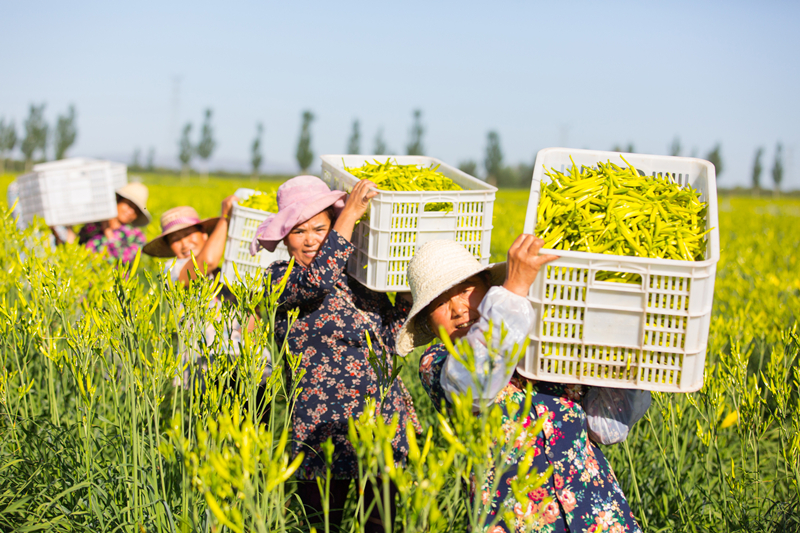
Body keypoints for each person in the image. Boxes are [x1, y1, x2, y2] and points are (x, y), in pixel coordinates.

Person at [396, 235, 648, 533]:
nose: (458, 309)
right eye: (439, 303)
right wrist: (513, 291)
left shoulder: (540, 343)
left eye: (466, 291)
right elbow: (477, 384)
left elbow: (606, 427)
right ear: (428, 321)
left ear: (488, 290)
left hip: (597, 514)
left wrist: (623, 359)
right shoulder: (438, 363)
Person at [251, 175, 421, 533]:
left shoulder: (362, 278)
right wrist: (350, 215)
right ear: (285, 238)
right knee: (320, 525)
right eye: (299, 232)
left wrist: (407, 294)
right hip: (320, 430)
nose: (311, 239)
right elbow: (317, 280)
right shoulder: (278, 280)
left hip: (379, 422)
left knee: (382, 526)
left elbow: (390, 339)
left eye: (320, 228)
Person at [78, 182, 151, 263]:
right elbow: (77, 245)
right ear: (117, 200)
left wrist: (108, 233)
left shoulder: (137, 236)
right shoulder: (93, 226)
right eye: (129, 204)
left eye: (136, 210)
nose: (131, 211)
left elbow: (125, 260)